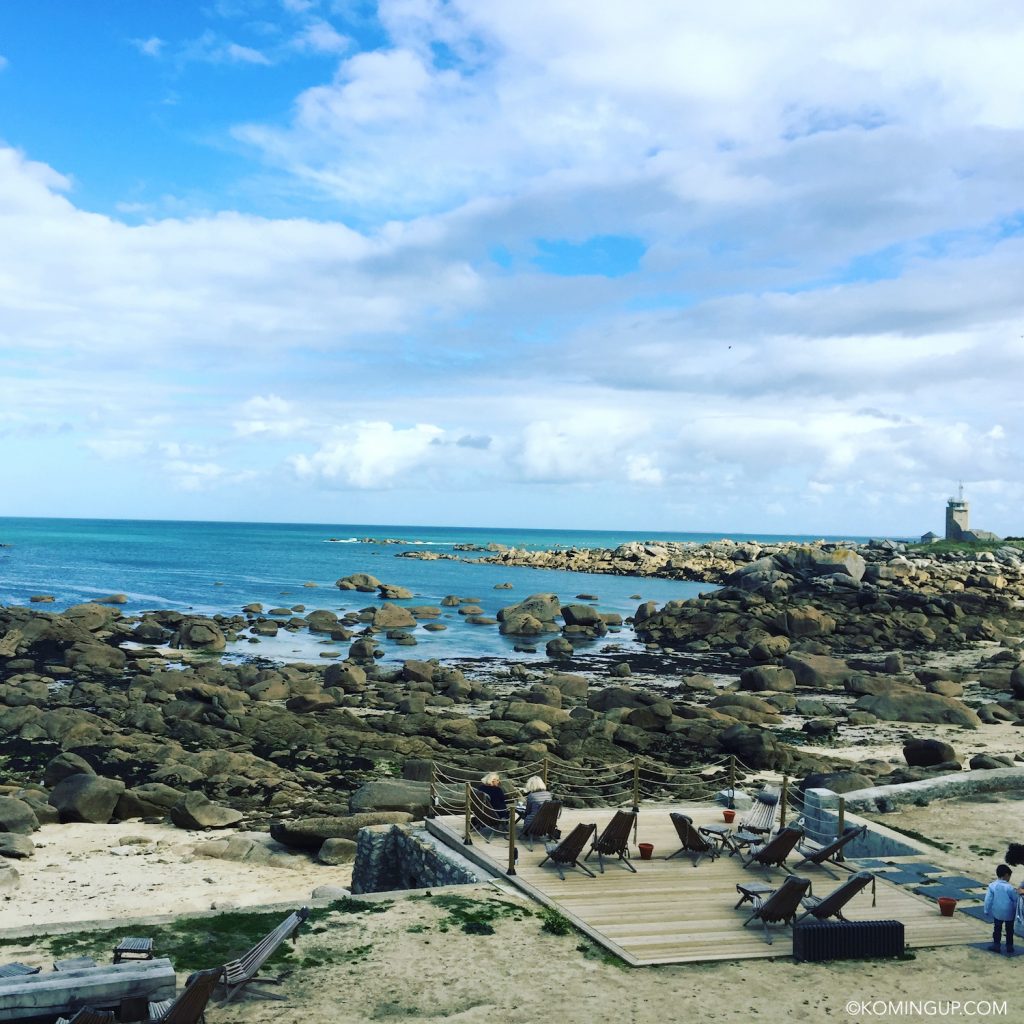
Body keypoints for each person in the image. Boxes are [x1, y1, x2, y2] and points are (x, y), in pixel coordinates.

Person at [983, 863, 1022, 956]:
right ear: (1006, 875)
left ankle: (996, 945)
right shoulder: (1009, 887)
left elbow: (988, 899)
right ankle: (1009, 946)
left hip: (997, 911)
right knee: (1009, 929)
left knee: (997, 928)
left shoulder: (992, 886)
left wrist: (986, 910)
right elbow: (1015, 899)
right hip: (1009, 912)